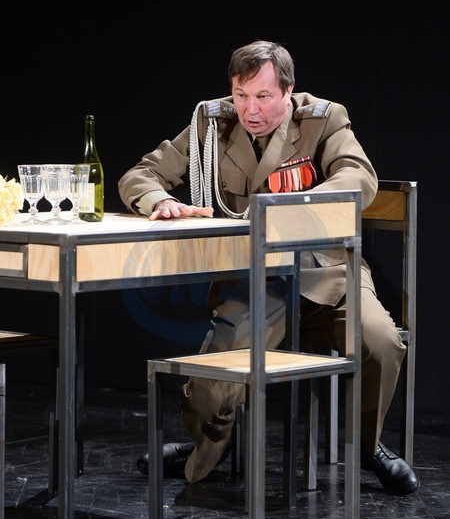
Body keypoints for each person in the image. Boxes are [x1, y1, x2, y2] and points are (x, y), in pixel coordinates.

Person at [118, 40, 419, 496]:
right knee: (208, 386)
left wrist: (296, 207)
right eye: (241, 95)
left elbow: (359, 176)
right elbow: (141, 174)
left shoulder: (322, 119)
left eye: (262, 96)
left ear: (288, 90)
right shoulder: (212, 123)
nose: (250, 109)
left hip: (326, 273)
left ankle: (367, 446)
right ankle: (207, 450)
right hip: (256, 282)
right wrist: (160, 200)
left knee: (381, 341)